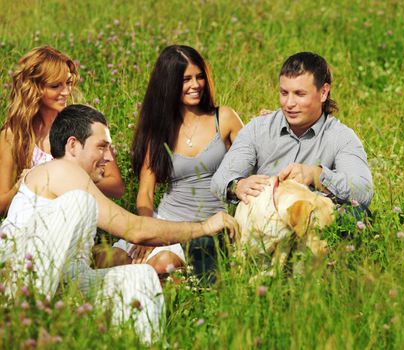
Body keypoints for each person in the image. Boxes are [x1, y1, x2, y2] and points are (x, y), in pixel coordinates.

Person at [0, 104, 238, 342]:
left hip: (64, 281)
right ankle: (17, 321)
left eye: (110, 148)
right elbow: (134, 229)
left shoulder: (72, 184)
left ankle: (147, 345)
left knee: (140, 276)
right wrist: (204, 227)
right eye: (101, 147)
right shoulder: (59, 169)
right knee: (80, 202)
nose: (109, 157)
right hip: (13, 279)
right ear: (72, 145)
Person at [108, 45, 243, 278]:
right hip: (166, 222)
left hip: (208, 225)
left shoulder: (225, 118)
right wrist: (147, 230)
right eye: (186, 79)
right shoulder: (158, 131)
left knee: (160, 265)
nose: (195, 85)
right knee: (114, 260)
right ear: (169, 84)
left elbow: (253, 159)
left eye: (199, 77)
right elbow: (146, 194)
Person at [211, 52, 373, 212]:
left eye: (299, 94)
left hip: (313, 224)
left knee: (359, 214)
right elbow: (219, 180)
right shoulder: (257, 128)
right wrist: (237, 185)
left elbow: (363, 192)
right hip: (263, 223)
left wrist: (317, 175)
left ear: (323, 92)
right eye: (284, 93)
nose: (289, 103)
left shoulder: (342, 138)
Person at [0, 46, 124, 216]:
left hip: (77, 221)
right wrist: (22, 184)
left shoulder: (83, 123)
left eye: (68, 82)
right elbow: (2, 205)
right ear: (34, 88)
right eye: (55, 86)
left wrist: (64, 181)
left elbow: (116, 186)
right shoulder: (15, 135)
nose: (66, 92)